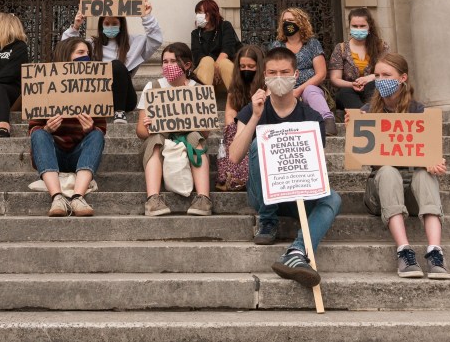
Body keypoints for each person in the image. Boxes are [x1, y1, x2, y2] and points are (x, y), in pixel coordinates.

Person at [229, 46, 342, 288]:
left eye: (284, 72)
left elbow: (315, 166)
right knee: (259, 141)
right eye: (272, 73)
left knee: (333, 198)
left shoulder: (311, 116)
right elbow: (235, 156)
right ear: (265, 76)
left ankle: (296, 252)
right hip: (263, 196)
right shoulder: (252, 109)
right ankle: (267, 220)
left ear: (296, 75)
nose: (278, 78)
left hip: (296, 194)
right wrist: (256, 117)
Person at [362, 53, 450, 279]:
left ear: (402, 78)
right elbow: (370, 159)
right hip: (381, 191)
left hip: (412, 192)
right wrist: (356, 130)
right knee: (388, 171)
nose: (381, 80)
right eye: (378, 75)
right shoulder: (367, 112)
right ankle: (404, 251)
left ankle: (435, 252)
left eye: (387, 75)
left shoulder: (418, 111)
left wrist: (433, 161)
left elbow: (429, 151)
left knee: (425, 174)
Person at [27, 38, 106, 218]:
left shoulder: (94, 87)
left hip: (80, 155)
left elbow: (101, 129)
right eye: (80, 53)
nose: (85, 57)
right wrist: (48, 128)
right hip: (54, 154)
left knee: (96, 135)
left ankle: (78, 197)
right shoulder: (46, 85)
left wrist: (89, 129)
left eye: (87, 53)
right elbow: (33, 129)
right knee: (39, 134)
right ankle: (57, 198)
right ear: (66, 56)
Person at [135, 43, 213, 217]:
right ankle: (153, 199)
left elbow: (205, 133)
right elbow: (140, 131)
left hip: (188, 140)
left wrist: (192, 117)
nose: (167, 65)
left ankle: (203, 198)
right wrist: (149, 125)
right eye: (164, 61)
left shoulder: (198, 90)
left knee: (196, 138)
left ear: (187, 65)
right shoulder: (152, 87)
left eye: (172, 61)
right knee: (154, 139)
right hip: (159, 140)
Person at [91, 0, 162, 123]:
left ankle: (119, 112)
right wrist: (75, 27)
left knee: (116, 65)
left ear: (121, 25)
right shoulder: (92, 45)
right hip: (100, 97)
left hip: (126, 101)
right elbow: (68, 50)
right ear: (101, 25)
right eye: (106, 23)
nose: (110, 27)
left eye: (114, 23)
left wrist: (146, 17)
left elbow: (156, 41)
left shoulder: (135, 42)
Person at [270, 7, 336, 136]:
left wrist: (299, 90)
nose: (287, 23)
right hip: (283, 88)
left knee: (310, 90)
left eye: (291, 20)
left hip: (309, 88)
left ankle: (328, 121)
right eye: (284, 21)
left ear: (300, 22)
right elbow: (272, 71)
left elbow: (321, 74)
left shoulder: (312, 44)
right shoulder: (277, 45)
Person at [215, 44, 264, 191]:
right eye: (242, 66)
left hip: (260, 125)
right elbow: (230, 112)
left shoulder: (266, 84)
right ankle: (231, 176)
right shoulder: (236, 84)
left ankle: (242, 177)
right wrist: (235, 128)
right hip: (241, 127)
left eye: (251, 66)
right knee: (231, 132)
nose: (246, 70)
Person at [329, 7, 389, 111]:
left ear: (369, 26)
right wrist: (352, 84)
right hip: (349, 90)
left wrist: (369, 78)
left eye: (362, 26)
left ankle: (368, 113)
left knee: (374, 86)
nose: (358, 29)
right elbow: (335, 79)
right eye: (355, 26)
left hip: (373, 88)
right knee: (344, 92)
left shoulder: (381, 46)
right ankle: (363, 115)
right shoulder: (341, 48)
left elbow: (388, 72)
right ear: (350, 26)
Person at [191, 0, 239, 93]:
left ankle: (239, 101)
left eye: (200, 12)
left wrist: (216, 67)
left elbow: (228, 48)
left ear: (210, 14)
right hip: (204, 76)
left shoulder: (225, 26)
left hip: (224, 77)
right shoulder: (196, 33)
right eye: (197, 13)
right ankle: (203, 102)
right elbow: (197, 55)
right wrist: (212, 69)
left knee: (224, 62)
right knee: (206, 60)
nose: (198, 16)